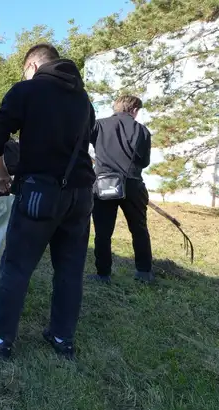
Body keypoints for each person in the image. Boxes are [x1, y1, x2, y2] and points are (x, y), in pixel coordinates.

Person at [0, 43, 96, 360]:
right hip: (81, 195)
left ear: (33, 66)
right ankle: (62, 338)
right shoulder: (83, 99)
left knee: (17, 267)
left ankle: (2, 339)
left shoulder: (26, 91)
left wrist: (1, 175)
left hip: (38, 194)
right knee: (70, 270)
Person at [90, 95, 154, 283]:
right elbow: (145, 162)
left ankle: (103, 274)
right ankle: (144, 272)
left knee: (103, 232)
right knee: (139, 229)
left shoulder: (98, 125)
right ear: (134, 110)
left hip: (104, 184)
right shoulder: (143, 131)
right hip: (133, 184)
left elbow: (81, 142)